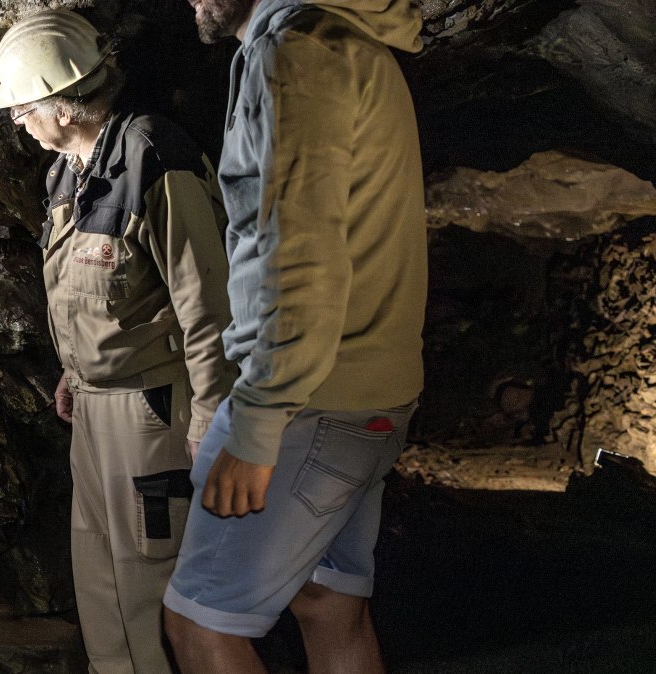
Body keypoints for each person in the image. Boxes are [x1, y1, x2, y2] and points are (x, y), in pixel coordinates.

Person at [160, 0, 427, 670]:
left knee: (200, 621)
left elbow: (296, 252)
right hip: (369, 393)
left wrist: (257, 426)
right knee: (327, 602)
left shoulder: (295, 53)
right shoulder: (349, 43)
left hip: (309, 400)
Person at [0, 10, 237, 673]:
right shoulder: (68, 172)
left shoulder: (153, 156)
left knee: (149, 585)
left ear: (62, 105)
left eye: (22, 107)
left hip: (150, 408)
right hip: (95, 407)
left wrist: (211, 417)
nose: (17, 121)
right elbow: (80, 288)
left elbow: (206, 299)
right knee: (98, 575)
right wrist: (73, 370)